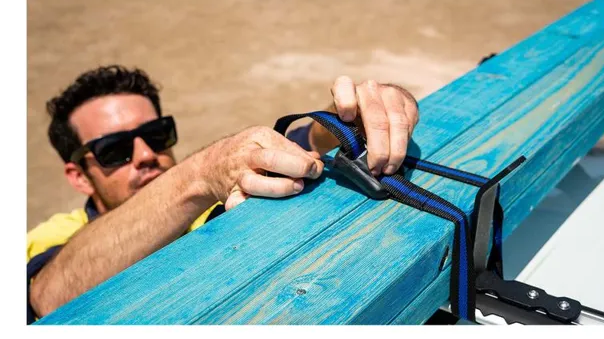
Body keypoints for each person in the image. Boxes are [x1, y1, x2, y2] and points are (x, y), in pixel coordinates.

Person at [27, 65, 419, 324]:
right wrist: (197, 176)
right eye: (115, 149)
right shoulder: (53, 240)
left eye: (157, 135)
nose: (146, 155)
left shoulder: (215, 186)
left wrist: (365, 111)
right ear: (78, 177)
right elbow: (46, 297)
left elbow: (307, 138)